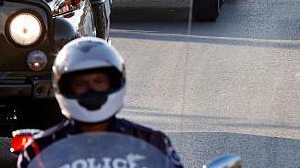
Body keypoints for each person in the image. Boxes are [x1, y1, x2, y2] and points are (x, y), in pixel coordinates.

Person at [17, 37, 183, 168]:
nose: (91, 89)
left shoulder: (152, 142)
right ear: (67, 88)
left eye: (99, 81)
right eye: (81, 84)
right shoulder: (40, 149)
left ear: (114, 83)